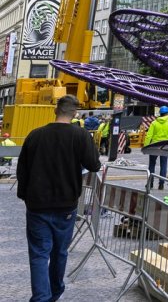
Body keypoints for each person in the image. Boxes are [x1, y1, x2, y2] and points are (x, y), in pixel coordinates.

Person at [17, 94, 101, 302]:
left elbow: (22, 170)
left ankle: (41, 298)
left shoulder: (35, 135)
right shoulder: (80, 135)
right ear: (74, 113)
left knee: (38, 254)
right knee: (59, 253)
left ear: (55, 111)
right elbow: (94, 165)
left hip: (37, 205)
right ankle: (54, 293)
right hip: (66, 205)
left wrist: (25, 195)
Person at [144, 106, 168, 190]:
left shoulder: (154, 123)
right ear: (167, 113)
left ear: (160, 114)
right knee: (163, 165)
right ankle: (161, 184)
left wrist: (146, 146)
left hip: (154, 146)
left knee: (151, 165)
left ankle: (150, 183)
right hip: (165, 147)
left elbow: (149, 136)